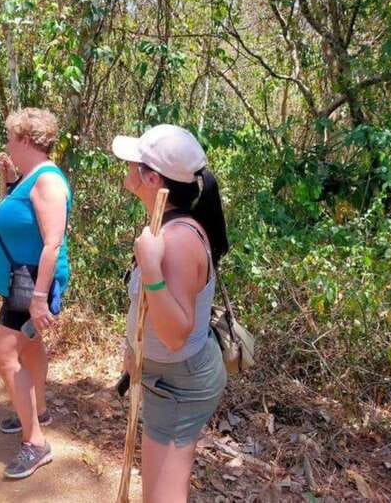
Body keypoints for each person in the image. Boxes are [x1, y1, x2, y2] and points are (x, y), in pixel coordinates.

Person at [112, 123, 229, 503]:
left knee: (162, 496)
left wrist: (151, 269)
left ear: (151, 177)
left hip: (180, 384)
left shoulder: (177, 241)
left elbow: (176, 331)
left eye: (133, 164)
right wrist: (134, 355)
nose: (126, 169)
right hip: (166, 376)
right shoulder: (166, 225)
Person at [0, 108, 72, 479]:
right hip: (21, 280)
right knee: (30, 346)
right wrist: (8, 182)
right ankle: (37, 410)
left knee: (4, 357)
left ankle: (35, 442)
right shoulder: (29, 178)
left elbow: (52, 243)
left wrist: (39, 299)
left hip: (32, 283)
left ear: (24, 140)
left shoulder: (48, 181)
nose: (7, 143)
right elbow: (22, 220)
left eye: (10, 137)